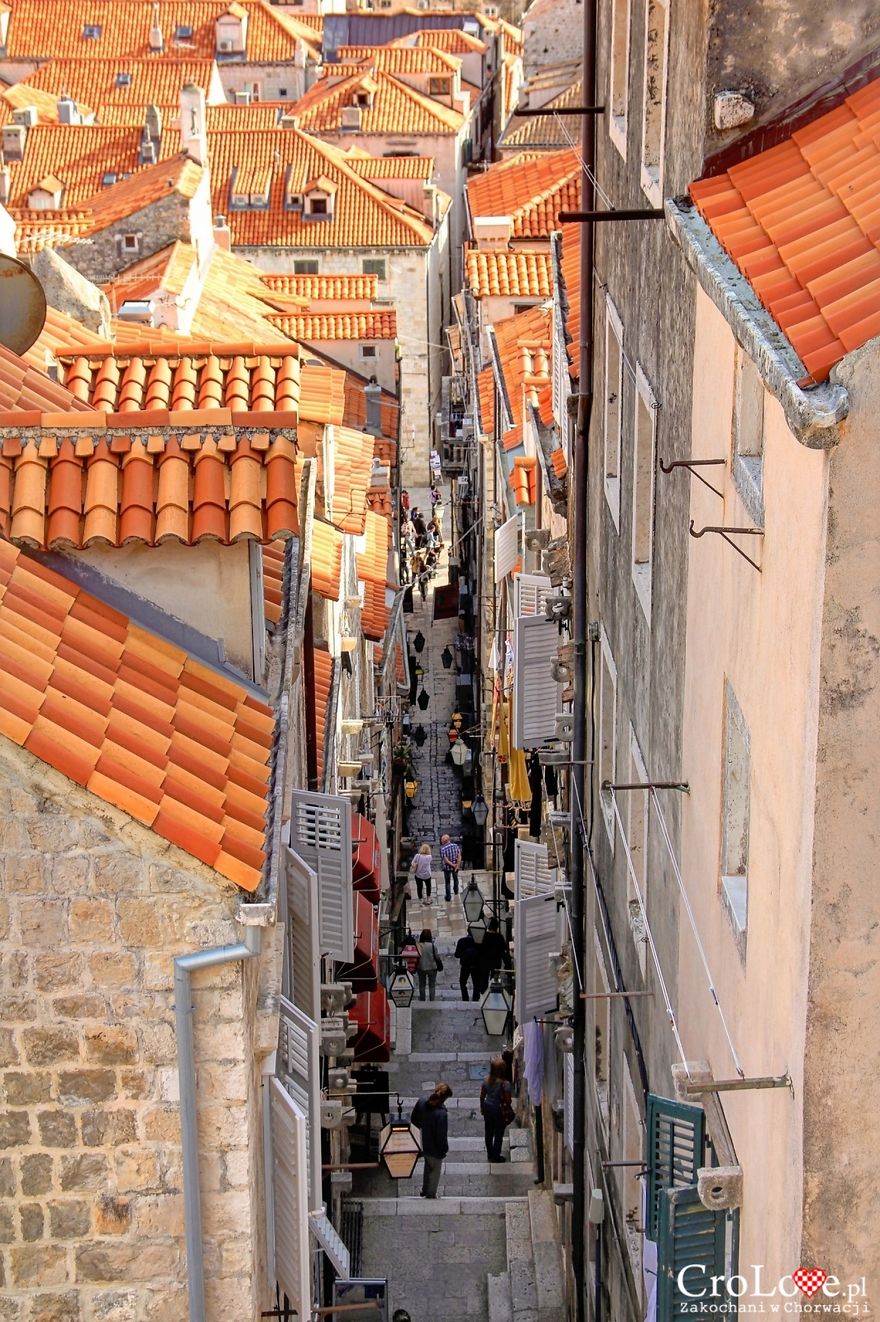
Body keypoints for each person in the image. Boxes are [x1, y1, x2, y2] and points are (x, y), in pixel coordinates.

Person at [411, 1083, 452, 1198]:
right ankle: (430, 1193)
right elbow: (441, 1135)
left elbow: (414, 1121)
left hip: (422, 1141)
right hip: (434, 1147)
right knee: (434, 1170)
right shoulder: (441, 1114)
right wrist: (444, 1148)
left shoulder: (421, 1102)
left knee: (428, 1165)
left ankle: (425, 1189)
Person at [480, 1057, 513, 1163]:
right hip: (499, 1111)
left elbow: (482, 1096)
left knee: (488, 1132)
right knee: (498, 1133)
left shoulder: (486, 1080)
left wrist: (482, 1107)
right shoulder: (505, 1084)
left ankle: (490, 1154)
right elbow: (508, 1101)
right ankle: (496, 1155)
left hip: (488, 1107)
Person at [474, 917, 511, 996]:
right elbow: (503, 950)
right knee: (495, 980)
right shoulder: (499, 937)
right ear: (496, 927)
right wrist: (507, 964)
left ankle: (484, 997)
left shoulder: (483, 935)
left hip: (484, 962)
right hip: (496, 962)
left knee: (484, 980)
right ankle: (493, 996)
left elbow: (478, 949)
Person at [415, 927, 441, 1001]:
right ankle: (432, 999)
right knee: (432, 985)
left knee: (422, 984)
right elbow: (437, 957)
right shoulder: (432, 946)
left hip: (421, 967)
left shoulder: (418, 946)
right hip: (432, 967)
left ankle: (422, 999)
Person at [454, 931, 478, 1001]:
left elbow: (457, 955)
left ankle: (465, 998)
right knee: (476, 983)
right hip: (475, 965)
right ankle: (475, 999)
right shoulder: (478, 941)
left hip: (465, 965)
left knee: (462, 982)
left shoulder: (462, 941)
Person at [439, 834, 462, 902]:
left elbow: (446, 860)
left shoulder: (443, 849)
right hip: (455, 867)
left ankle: (448, 897)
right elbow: (459, 856)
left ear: (443, 841)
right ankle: (456, 891)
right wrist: (457, 865)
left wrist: (452, 865)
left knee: (447, 882)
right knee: (455, 879)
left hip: (447, 868)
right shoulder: (455, 846)